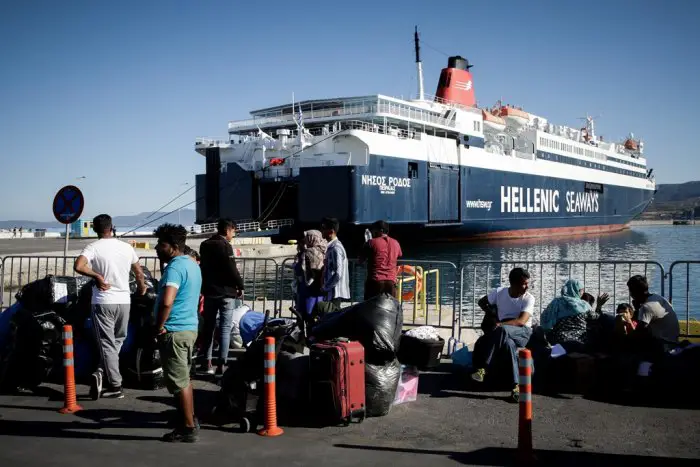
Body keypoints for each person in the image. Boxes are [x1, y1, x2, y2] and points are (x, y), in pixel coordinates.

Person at [74, 214, 147, 400]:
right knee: (118, 339)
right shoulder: (126, 247)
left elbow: (79, 265)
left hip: (103, 301)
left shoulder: (93, 247)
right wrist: (142, 288)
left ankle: (115, 384)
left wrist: (96, 276)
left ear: (94, 229)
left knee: (107, 343)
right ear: (112, 227)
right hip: (124, 301)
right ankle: (101, 372)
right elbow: (138, 272)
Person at [153, 223, 202, 443]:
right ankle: (189, 418)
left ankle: (187, 427)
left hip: (174, 330)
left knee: (179, 382)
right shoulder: (193, 265)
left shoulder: (174, 268)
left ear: (173, 246)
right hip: (189, 328)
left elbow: (167, 301)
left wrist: (159, 325)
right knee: (185, 378)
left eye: (160, 244)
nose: (156, 248)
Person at [470, 267, 534, 402]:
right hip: (504, 331)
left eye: (528, 283)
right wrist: (491, 313)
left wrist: (500, 324)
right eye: (524, 283)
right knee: (509, 345)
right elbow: (482, 301)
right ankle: (516, 386)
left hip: (522, 331)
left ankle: (484, 368)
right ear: (513, 283)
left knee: (502, 331)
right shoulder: (500, 292)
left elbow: (521, 321)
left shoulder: (529, 298)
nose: (527, 287)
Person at [198, 219, 244, 375]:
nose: (234, 234)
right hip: (226, 292)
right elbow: (231, 269)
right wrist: (240, 285)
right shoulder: (225, 246)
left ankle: (207, 362)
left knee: (209, 327)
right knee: (224, 328)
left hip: (210, 291)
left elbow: (203, 268)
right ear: (228, 230)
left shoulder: (204, 245)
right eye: (233, 231)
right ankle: (221, 364)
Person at [540, 279, 609, 352]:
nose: (583, 293)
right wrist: (599, 306)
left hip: (560, 340)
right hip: (580, 341)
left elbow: (546, 323)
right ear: (577, 291)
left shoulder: (556, 302)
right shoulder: (584, 305)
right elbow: (596, 318)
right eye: (582, 290)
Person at [626, 275, 679, 360]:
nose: (630, 294)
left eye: (630, 291)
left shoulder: (646, 307)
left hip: (663, 345)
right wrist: (637, 309)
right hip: (673, 341)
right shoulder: (657, 298)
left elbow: (639, 333)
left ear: (635, 292)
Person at [359, 220, 402, 300]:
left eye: (374, 230)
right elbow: (399, 256)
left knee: (370, 309)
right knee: (390, 309)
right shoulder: (396, 243)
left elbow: (361, 260)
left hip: (375, 281)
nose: (372, 233)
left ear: (380, 230)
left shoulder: (371, 242)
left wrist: (365, 244)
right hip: (391, 282)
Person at [295, 230, 327, 318]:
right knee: (318, 314)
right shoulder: (323, 251)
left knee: (305, 315)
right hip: (320, 288)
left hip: (307, 289)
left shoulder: (307, 253)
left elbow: (300, 269)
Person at [320, 217, 350, 308]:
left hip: (334, 293)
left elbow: (338, 273)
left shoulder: (336, 248)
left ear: (331, 231)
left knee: (331, 317)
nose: (322, 231)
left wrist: (326, 287)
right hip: (331, 293)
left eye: (324, 228)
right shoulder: (332, 247)